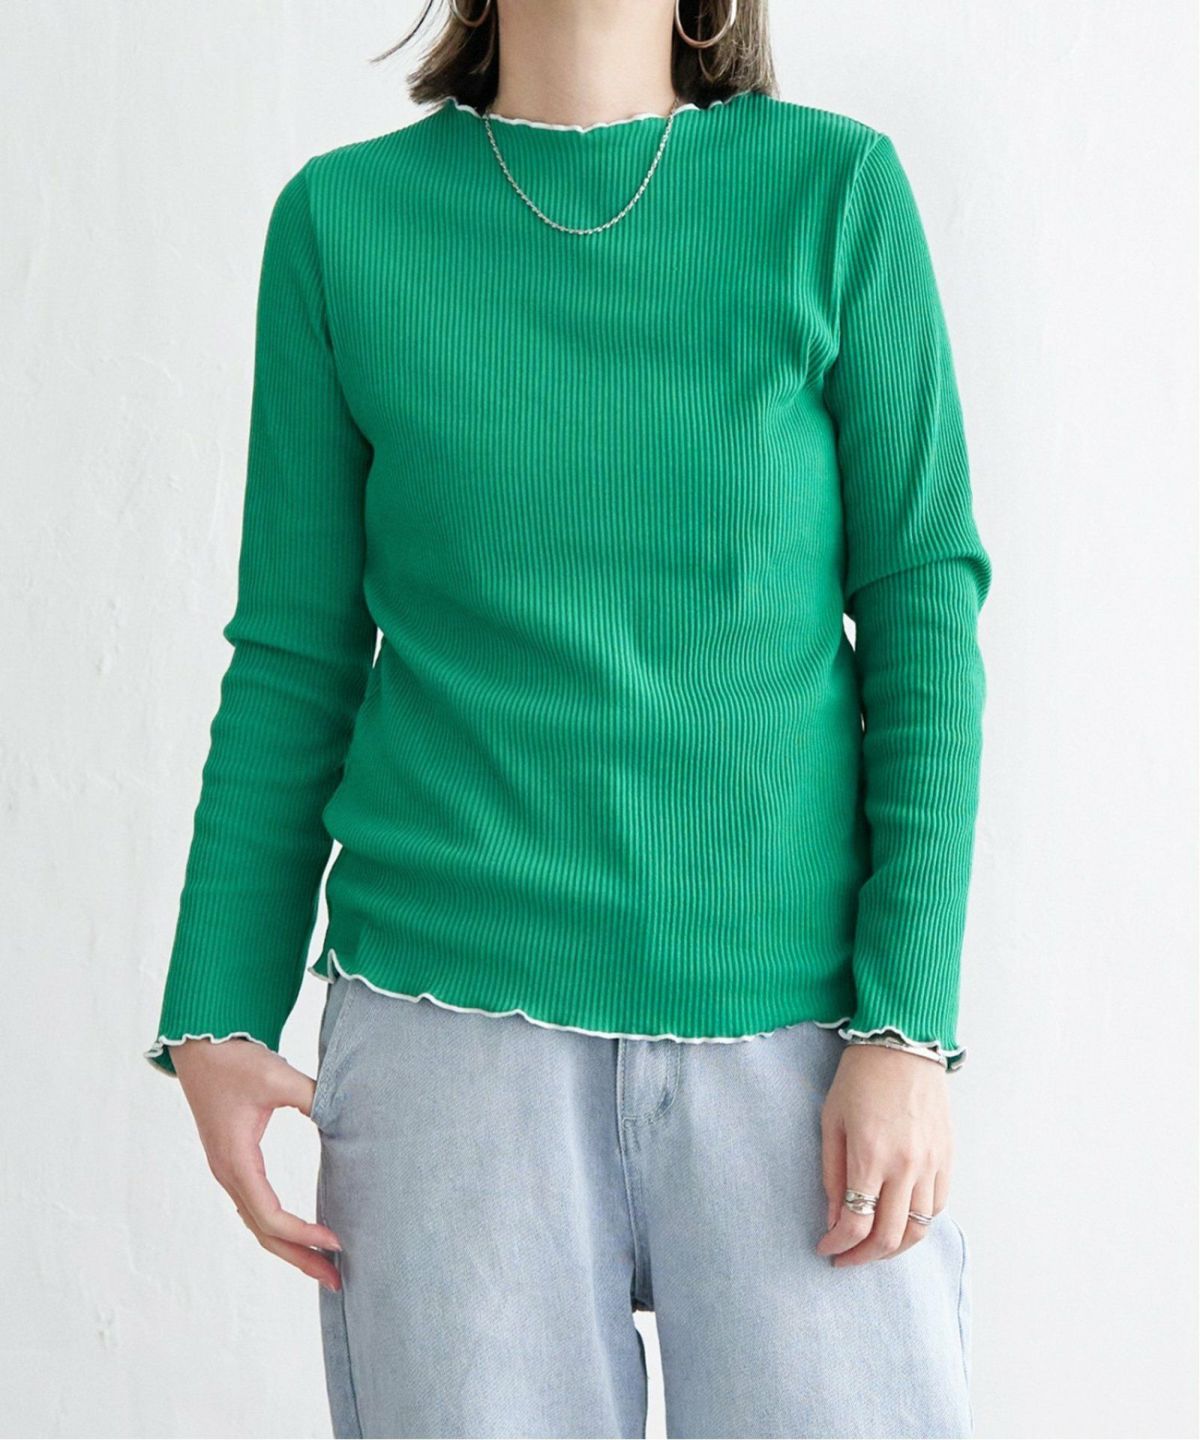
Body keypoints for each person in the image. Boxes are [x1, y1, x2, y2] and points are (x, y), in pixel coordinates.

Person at [143, 1, 991, 1436]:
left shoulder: (834, 190)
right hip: (444, 1044)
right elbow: (295, 651)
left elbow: (922, 616)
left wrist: (909, 1028)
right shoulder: (344, 224)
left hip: (797, 1041)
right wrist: (215, 1007)